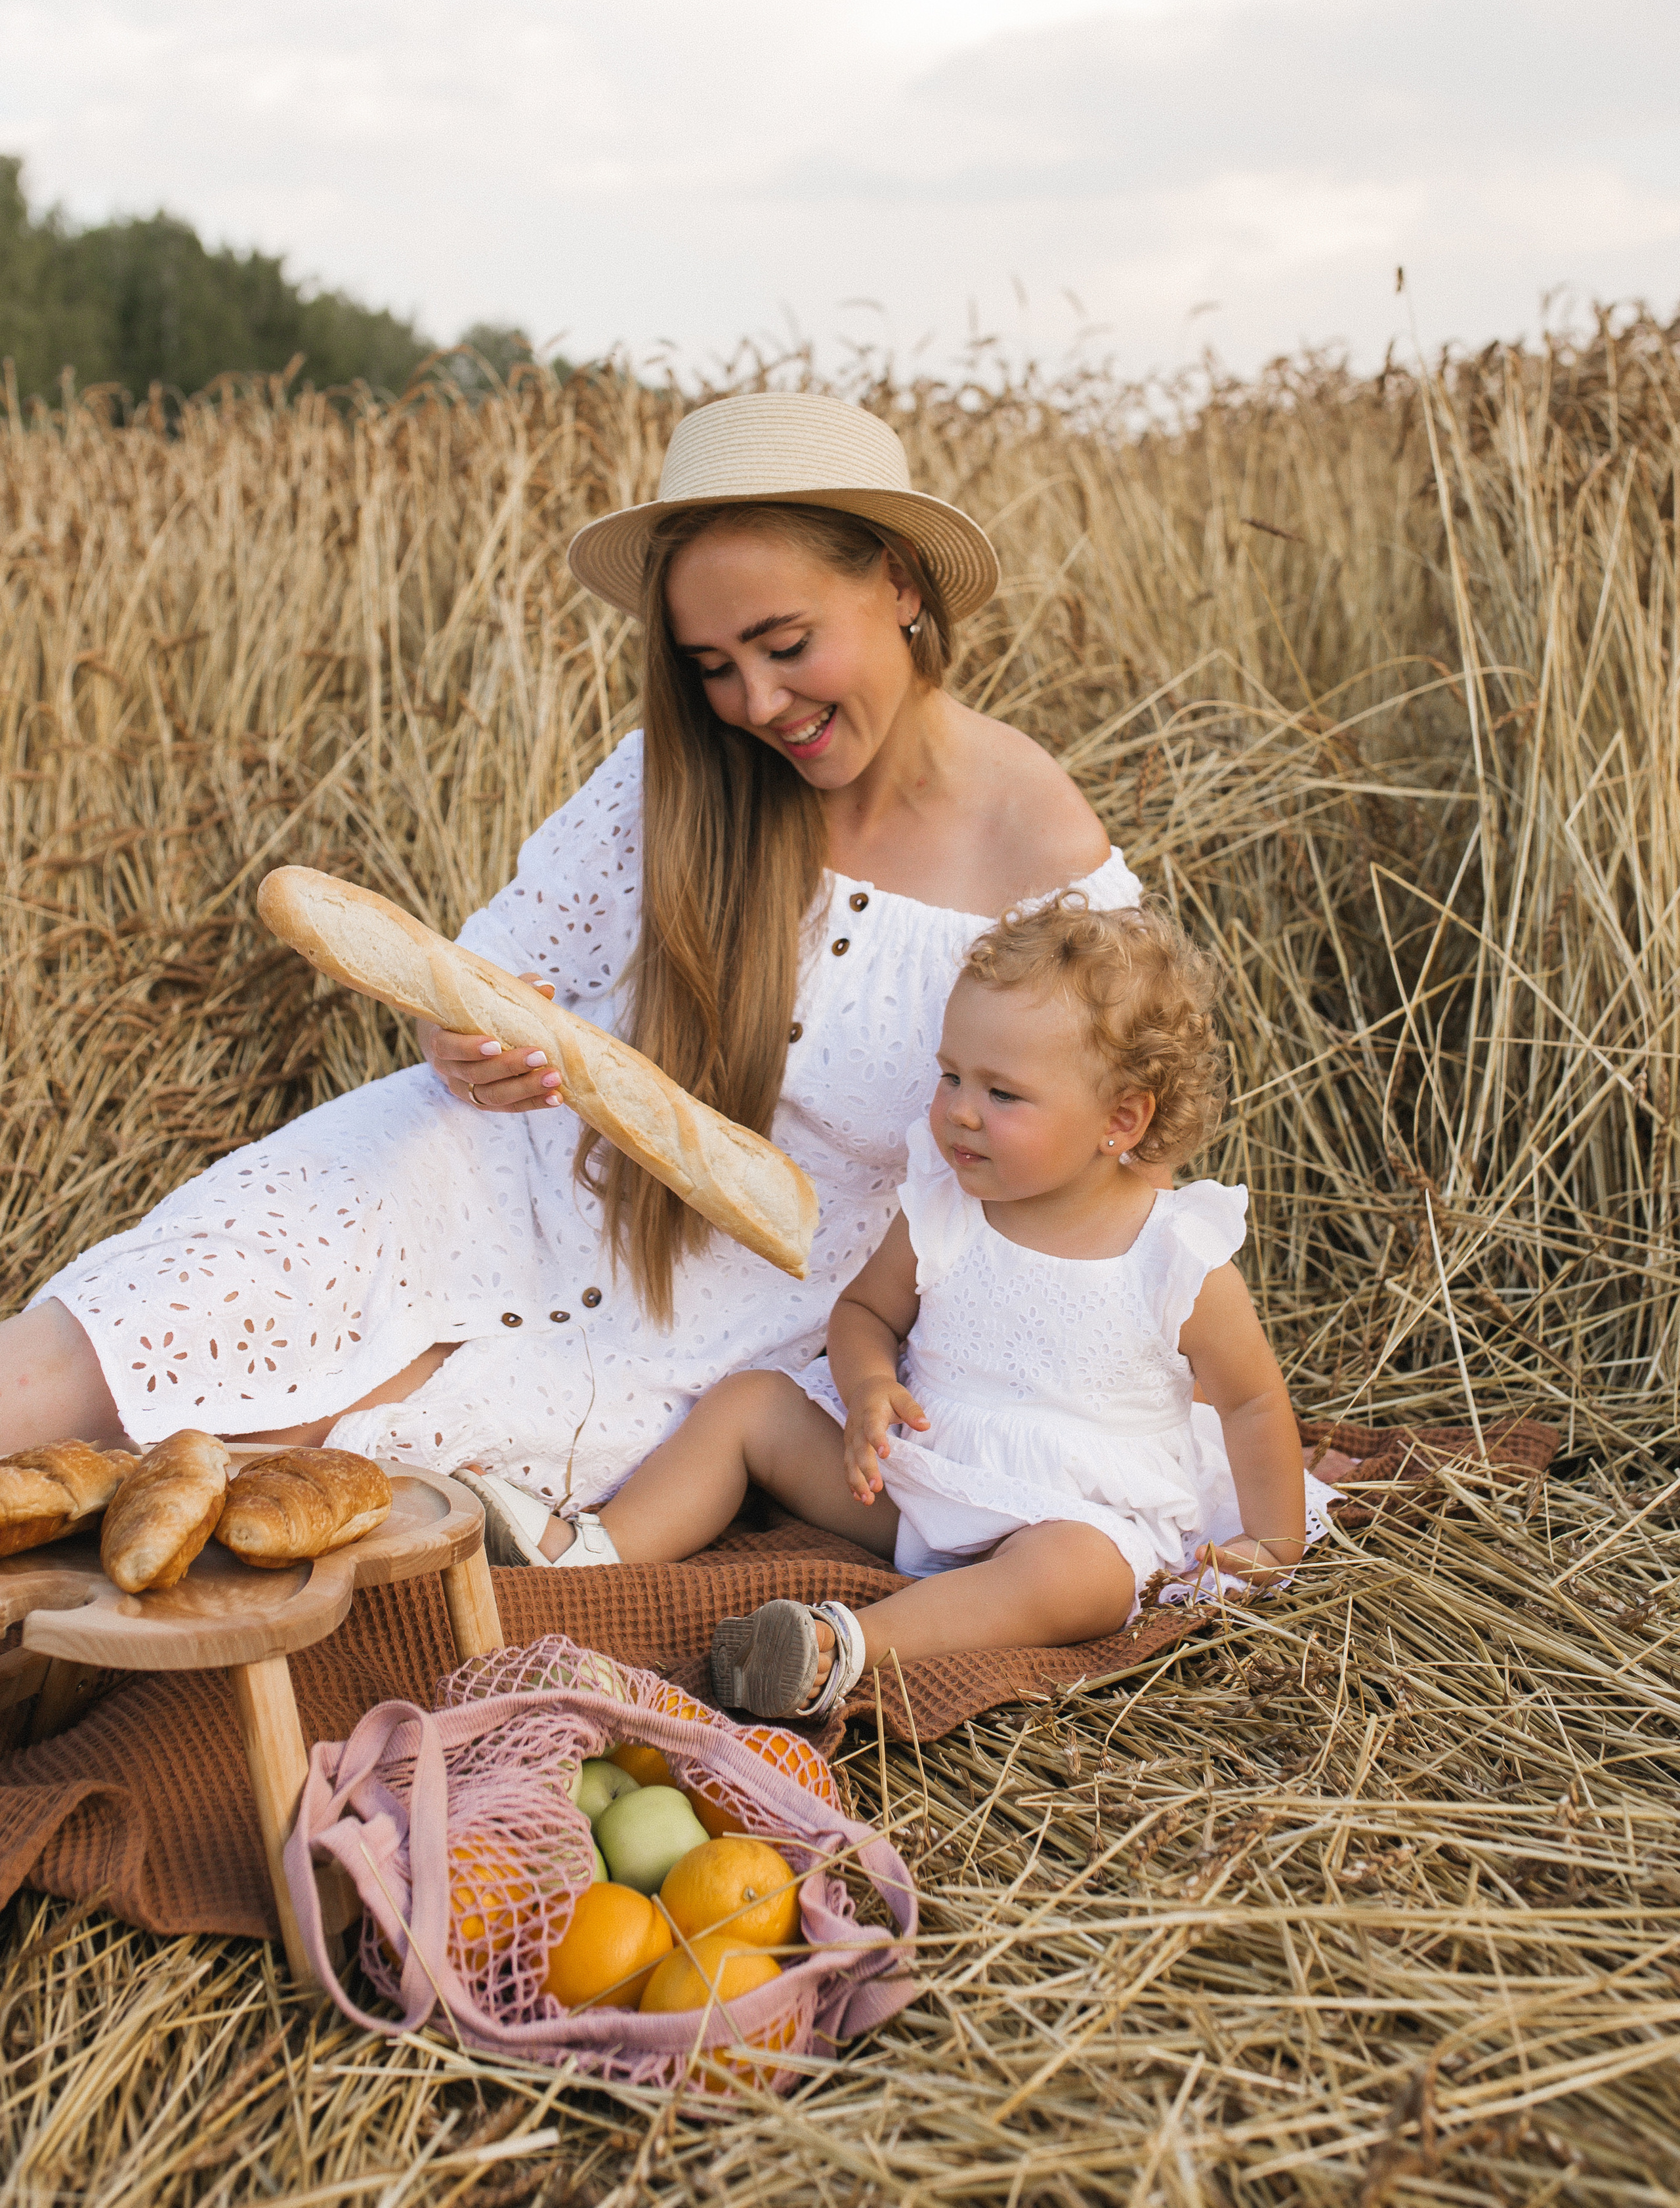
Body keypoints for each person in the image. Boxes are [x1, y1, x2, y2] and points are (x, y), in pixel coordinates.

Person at [3, 392, 1137, 1531]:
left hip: (743, 1312)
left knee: (274, 1481)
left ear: (900, 583)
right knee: (112, 1347)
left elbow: (1089, 1163)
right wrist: (457, 1045)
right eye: (712, 665)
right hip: (486, 1170)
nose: (756, 703)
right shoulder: (670, 779)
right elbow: (486, 973)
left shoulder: (1045, 863)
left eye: (787, 645)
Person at [542, 895, 1340, 1720]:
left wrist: (1272, 1541)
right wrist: (866, 1391)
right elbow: (864, 1314)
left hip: (1069, 1509)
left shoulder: (1172, 1254)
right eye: (953, 1075)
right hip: (914, 1479)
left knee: (1084, 1577)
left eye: (1004, 1094)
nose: (960, 1109)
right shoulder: (947, 1206)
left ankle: (840, 1646)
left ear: (1120, 1119)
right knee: (751, 1404)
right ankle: (592, 1554)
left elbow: (1249, 1401)